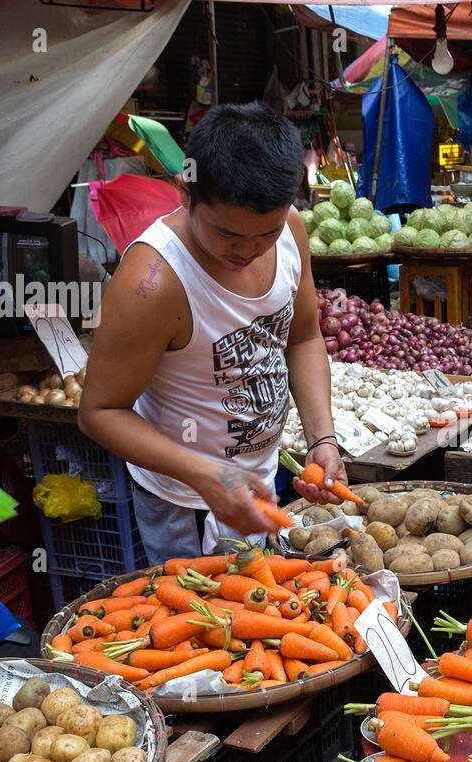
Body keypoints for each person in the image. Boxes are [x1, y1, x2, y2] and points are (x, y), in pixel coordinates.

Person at [79, 102, 344, 565]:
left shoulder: (291, 233)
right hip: (185, 505)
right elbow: (100, 411)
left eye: (265, 233)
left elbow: (303, 338)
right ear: (186, 193)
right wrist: (206, 476)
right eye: (227, 235)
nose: (248, 250)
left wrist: (322, 439)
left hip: (256, 483)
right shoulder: (153, 283)